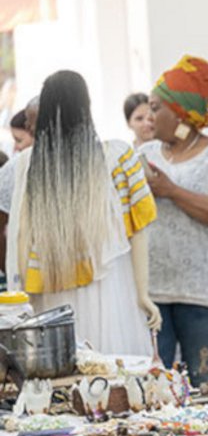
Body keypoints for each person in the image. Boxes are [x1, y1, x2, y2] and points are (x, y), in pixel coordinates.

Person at [0, 71, 160, 355]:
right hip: (109, 288)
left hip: (50, 290)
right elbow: (139, 230)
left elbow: (16, 238)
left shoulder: (25, 164)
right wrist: (142, 293)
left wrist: (21, 288)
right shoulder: (118, 155)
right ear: (87, 106)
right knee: (112, 376)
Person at [139, 55, 208, 390]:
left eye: (156, 107)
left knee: (204, 384)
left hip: (205, 295)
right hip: (154, 291)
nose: (149, 115)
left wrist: (171, 190)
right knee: (157, 386)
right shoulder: (146, 153)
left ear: (180, 113)